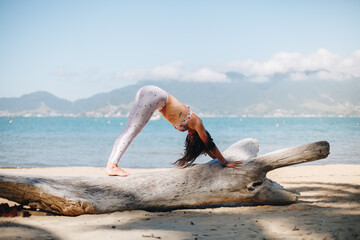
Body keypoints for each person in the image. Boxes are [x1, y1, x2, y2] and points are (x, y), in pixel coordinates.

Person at [106, 85, 242, 176]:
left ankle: (111, 164)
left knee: (128, 130)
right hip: (155, 96)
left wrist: (216, 158)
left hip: (150, 94)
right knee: (131, 131)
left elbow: (206, 147)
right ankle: (112, 165)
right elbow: (208, 144)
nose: (188, 138)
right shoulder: (196, 122)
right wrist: (224, 161)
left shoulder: (190, 127)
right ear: (197, 137)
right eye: (191, 139)